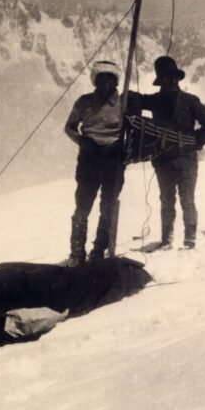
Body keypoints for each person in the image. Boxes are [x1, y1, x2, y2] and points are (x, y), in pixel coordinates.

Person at [138, 56, 205, 250]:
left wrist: (194, 142)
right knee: (166, 200)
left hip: (186, 160)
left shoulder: (191, 102)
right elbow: (132, 100)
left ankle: (189, 239)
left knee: (187, 200)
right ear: (160, 80)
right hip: (163, 161)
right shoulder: (154, 101)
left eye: (174, 77)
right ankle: (167, 239)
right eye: (166, 77)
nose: (171, 81)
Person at [65, 60, 140, 266]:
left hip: (114, 158)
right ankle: (76, 253)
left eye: (110, 78)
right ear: (94, 80)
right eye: (101, 77)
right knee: (83, 204)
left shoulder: (124, 103)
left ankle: (99, 249)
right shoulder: (84, 102)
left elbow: (135, 126)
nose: (106, 82)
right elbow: (70, 127)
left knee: (108, 204)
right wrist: (82, 141)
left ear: (116, 81)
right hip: (89, 158)